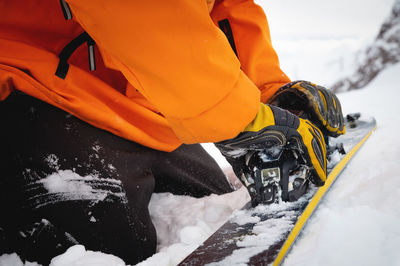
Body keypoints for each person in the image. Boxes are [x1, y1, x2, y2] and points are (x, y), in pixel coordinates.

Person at [0, 0, 344, 264]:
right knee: (112, 247)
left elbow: (223, 7)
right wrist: (241, 118)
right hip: (24, 82)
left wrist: (266, 94)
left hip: (135, 101)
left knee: (209, 204)